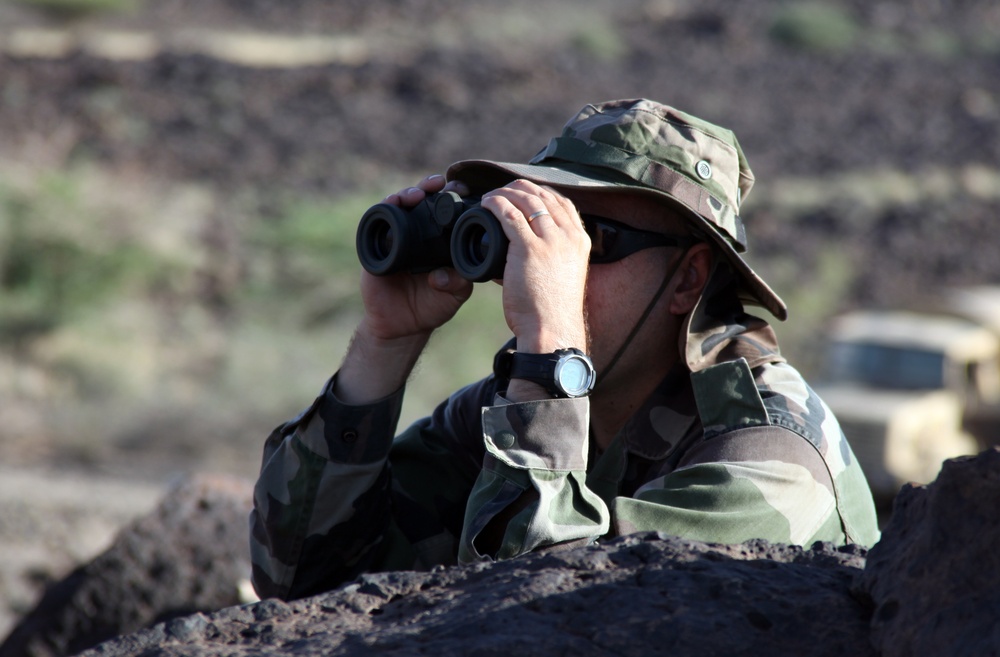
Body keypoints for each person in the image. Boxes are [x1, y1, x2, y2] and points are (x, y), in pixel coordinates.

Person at [249, 98, 880, 601]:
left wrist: (550, 349)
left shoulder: (769, 461)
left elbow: (543, 617)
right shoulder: (527, 406)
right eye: (540, 231)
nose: (546, 263)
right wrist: (384, 345)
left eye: (589, 240)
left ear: (687, 280)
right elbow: (301, 576)